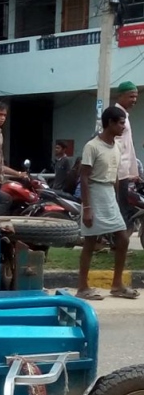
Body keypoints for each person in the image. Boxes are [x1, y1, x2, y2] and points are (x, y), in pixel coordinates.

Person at [77, 105, 138, 301]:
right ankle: (82, 287)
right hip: (93, 193)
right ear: (110, 123)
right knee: (90, 242)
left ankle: (117, 284)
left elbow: (115, 175)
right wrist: (87, 208)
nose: (123, 127)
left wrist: (116, 199)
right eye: (120, 123)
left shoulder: (117, 146)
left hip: (109, 194)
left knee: (123, 238)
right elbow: (84, 177)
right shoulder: (92, 146)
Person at [114, 81, 139, 226]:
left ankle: (117, 245)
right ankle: (116, 244)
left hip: (124, 172)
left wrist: (133, 171)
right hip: (118, 172)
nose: (134, 100)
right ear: (120, 96)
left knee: (123, 209)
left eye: (136, 96)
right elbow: (115, 145)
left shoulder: (125, 116)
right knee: (119, 209)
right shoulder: (117, 115)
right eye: (131, 96)